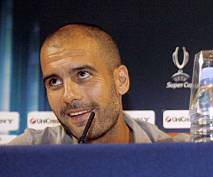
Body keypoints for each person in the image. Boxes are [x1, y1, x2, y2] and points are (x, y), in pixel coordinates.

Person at [10, 23, 173, 144]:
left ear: (121, 80)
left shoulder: (176, 157)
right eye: (54, 81)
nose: (68, 96)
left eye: (82, 74)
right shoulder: (25, 154)